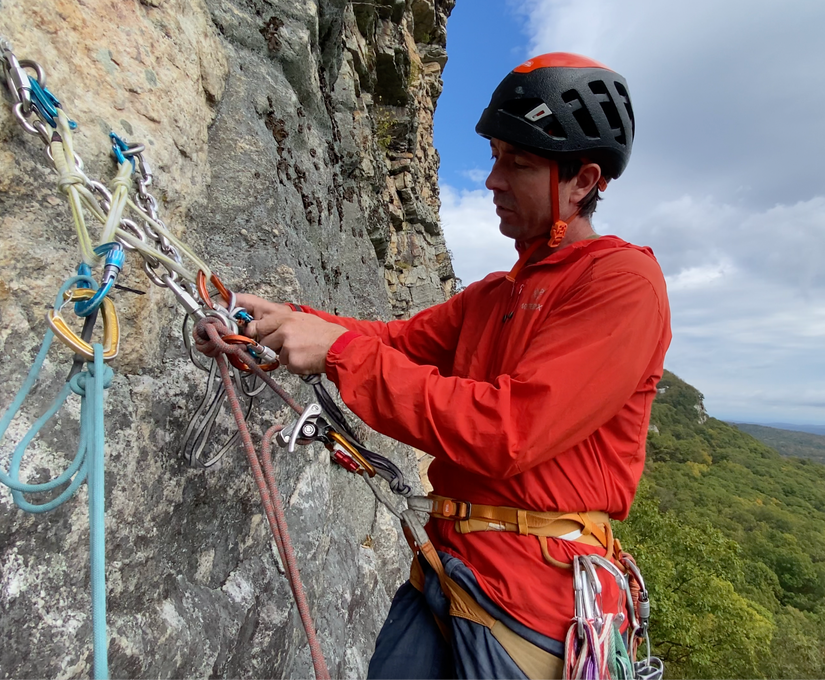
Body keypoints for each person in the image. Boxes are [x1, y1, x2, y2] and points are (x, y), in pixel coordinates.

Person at [231, 53, 670, 679]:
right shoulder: (497, 295)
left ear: (582, 180)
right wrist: (281, 322)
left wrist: (335, 351)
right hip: (448, 573)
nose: (492, 179)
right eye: (494, 157)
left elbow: (507, 431)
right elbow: (395, 340)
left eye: (516, 163)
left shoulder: (623, 283)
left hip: (530, 607)